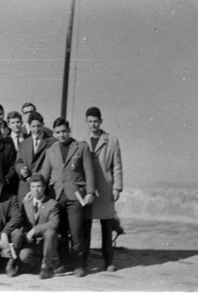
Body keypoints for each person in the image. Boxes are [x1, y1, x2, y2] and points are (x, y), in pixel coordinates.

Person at [41, 117, 95, 277]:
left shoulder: (81, 147)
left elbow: (89, 171)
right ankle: (64, 263)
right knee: (61, 232)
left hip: (75, 196)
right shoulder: (50, 150)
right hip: (56, 196)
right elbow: (45, 173)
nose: (61, 135)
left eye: (64, 131)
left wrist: (90, 192)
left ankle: (78, 264)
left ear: (69, 130)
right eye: (57, 132)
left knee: (76, 231)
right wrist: (36, 189)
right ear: (54, 134)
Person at [82, 107, 123, 272]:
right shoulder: (81, 140)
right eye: (90, 121)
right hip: (88, 189)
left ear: (101, 121)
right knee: (86, 226)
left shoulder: (111, 140)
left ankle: (108, 261)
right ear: (86, 122)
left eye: (96, 121)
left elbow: (117, 166)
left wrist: (117, 187)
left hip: (106, 187)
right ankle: (83, 261)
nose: (93, 124)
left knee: (107, 225)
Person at [19, 174, 59, 279]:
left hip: (46, 242)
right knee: (23, 255)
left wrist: (35, 230)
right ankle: (40, 265)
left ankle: (45, 267)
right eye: (33, 187)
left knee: (50, 232)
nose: (36, 190)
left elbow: (54, 223)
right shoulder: (26, 203)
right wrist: (25, 233)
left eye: (39, 186)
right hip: (32, 243)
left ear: (44, 187)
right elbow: (21, 222)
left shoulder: (52, 204)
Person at [15, 111, 56, 204]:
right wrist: (21, 170)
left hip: (42, 188)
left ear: (43, 125)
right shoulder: (24, 143)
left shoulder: (51, 142)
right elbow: (18, 162)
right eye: (33, 126)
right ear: (29, 126)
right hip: (25, 186)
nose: (36, 129)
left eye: (39, 126)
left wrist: (39, 177)